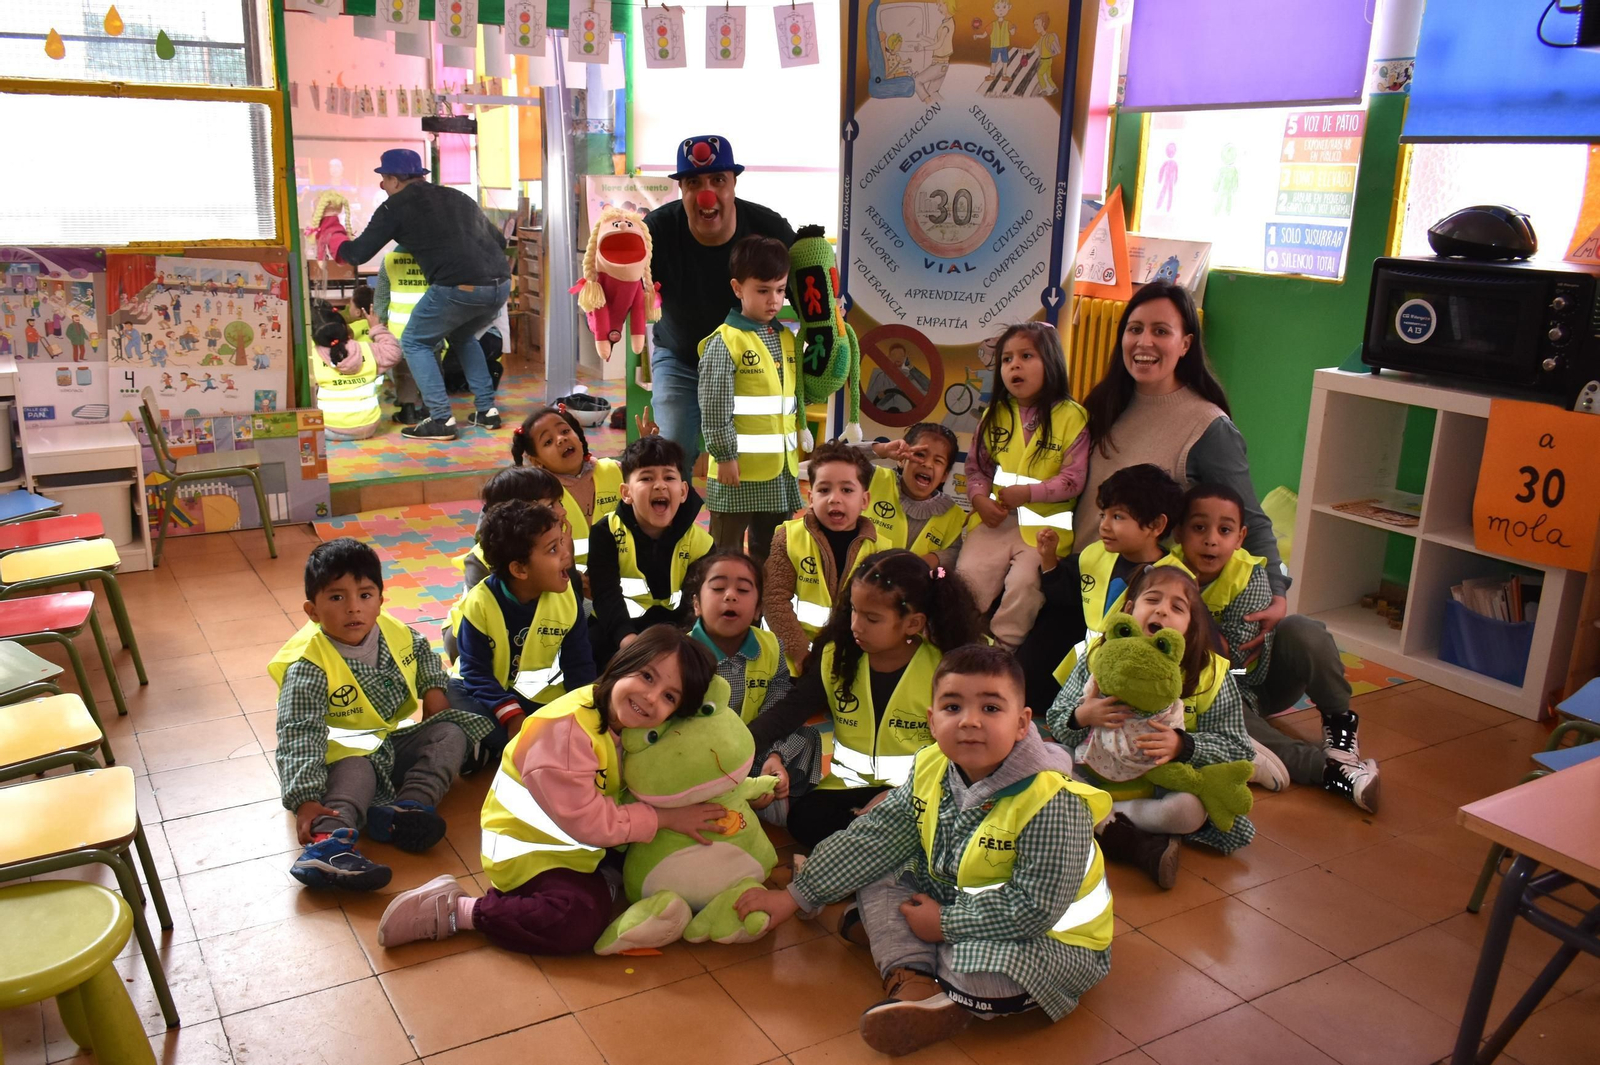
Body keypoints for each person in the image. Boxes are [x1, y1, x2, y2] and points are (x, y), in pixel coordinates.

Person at [736, 644, 1112, 1057]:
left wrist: (945, 924)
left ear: (1023, 723)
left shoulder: (1052, 802)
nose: (969, 722)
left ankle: (936, 979)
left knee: (973, 972)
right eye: (953, 707)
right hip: (952, 900)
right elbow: (874, 837)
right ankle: (913, 978)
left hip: (1050, 938)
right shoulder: (932, 765)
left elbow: (1034, 907)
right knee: (877, 869)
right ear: (932, 722)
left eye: (990, 708)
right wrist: (795, 895)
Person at [374, 626, 729, 954]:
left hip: (582, 844)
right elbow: (590, 823)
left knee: (676, 850)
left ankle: (606, 879)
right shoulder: (567, 731)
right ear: (623, 663)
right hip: (531, 855)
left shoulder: (625, 723)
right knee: (577, 920)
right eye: (647, 676)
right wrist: (666, 818)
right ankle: (460, 910)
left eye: (669, 696)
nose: (651, 698)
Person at [1076, 279, 1289, 664]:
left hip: (1131, 598)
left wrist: (1277, 591)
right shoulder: (1105, 403)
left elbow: (1249, 517)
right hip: (1078, 578)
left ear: (1186, 344)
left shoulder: (1207, 426)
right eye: (1135, 329)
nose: (1144, 342)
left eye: (1161, 331)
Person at [267, 539, 492, 891]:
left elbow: (423, 653)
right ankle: (327, 846)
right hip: (339, 760)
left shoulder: (392, 630)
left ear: (381, 600)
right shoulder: (309, 666)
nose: (353, 608)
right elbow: (298, 735)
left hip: (388, 744)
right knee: (359, 768)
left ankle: (407, 810)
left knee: (451, 732)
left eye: (365, 595)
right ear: (312, 610)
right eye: (337, 598)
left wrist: (433, 689)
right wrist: (306, 799)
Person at [748, 549, 982, 848]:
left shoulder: (946, 668)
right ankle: (885, 841)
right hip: (849, 788)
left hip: (921, 791)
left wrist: (901, 797)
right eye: (854, 611)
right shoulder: (837, 656)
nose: (856, 625)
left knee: (947, 822)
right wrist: (740, 745)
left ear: (913, 623)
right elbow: (789, 711)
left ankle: (875, 842)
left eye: (872, 618)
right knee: (804, 820)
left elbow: (962, 753)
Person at [1173, 484, 1378, 811]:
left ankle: (1340, 727)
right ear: (1179, 533)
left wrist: (1189, 610)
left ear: (1239, 538)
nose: (1211, 539)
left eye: (1224, 530)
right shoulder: (1165, 573)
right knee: (1212, 693)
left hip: (1253, 676)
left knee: (1302, 629)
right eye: (1199, 528)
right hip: (1210, 694)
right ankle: (1328, 770)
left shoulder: (1250, 574)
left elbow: (1233, 658)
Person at [1048, 566, 1255, 889]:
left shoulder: (1211, 674)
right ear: (1130, 610)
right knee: (1045, 759)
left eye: (1177, 607)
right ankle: (1123, 833)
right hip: (1090, 773)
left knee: (1189, 811)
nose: (1161, 610)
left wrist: (1183, 745)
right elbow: (1056, 718)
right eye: (1152, 599)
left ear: (1189, 628)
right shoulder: (1098, 656)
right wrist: (1082, 716)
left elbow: (1237, 746)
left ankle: (1102, 818)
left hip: (1157, 788)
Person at [335, 148, 510, 442]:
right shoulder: (457, 197)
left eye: (383, 179)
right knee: (462, 336)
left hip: (459, 287)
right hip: (500, 285)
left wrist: (335, 235)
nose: (381, 186)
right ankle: (486, 411)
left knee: (415, 341)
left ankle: (440, 419)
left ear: (393, 179)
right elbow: (500, 241)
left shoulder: (395, 207)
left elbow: (357, 253)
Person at [644, 135, 796, 470]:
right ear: (681, 189)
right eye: (693, 182)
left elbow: (808, 297)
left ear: (733, 185)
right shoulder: (656, 230)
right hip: (680, 359)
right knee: (672, 455)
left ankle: (755, 521)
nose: (706, 193)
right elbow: (625, 287)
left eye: (718, 181)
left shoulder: (769, 228)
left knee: (756, 456)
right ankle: (676, 523)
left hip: (751, 362)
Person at [958, 322, 1088, 650]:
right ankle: (957, 640)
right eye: (1006, 359)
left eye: (1026, 356)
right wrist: (978, 498)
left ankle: (1003, 650)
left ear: (1052, 361)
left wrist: (1029, 494)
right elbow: (976, 468)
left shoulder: (1074, 417)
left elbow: (1073, 479)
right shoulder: (993, 416)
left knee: (1025, 585)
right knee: (967, 575)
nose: (1014, 365)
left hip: (1044, 531)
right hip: (996, 520)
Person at [448, 500, 597, 763]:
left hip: (533, 699)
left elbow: (580, 666)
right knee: (450, 694)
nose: (566, 554)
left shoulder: (567, 599)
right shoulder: (480, 602)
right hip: (486, 695)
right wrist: (512, 715)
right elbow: (475, 672)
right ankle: (508, 742)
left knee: (575, 717)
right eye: (553, 549)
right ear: (519, 569)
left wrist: (585, 714)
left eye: (561, 542)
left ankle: (495, 746)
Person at [684, 550, 812, 824]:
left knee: (807, 736)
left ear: (757, 610)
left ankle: (768, 788)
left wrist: (774, 756)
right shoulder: (681, 654)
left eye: (743, 589)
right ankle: (732, 799)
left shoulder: (771, 645)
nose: (730, 595)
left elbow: (777, 703)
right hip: (702, 758)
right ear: (696, 604)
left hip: (756, 747)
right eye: (718, 587)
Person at [698, 235, 803, 565]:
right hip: (736, 471)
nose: (774, 300)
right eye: (763, 290)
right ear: (737, 288)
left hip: (779, 472)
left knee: (771, 556)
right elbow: (715, 409)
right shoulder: (725, 341)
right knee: (724, 554)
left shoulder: (785, 338)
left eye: (780, 289)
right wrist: (725, 455)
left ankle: (762, 614)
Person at [586, 435, 713, 666]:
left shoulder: (700, 542)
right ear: (626, 493)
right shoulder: (605, 532)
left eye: (669, 477)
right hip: (619, 631)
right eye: (646, 478)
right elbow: (606, 596)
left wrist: (682, 641)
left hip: (677, 632)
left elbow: (697, 603)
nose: (660, 484)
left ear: (684, 491)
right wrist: (628, 641)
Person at [764, 440, 881, 674]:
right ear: (810, 497)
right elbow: (774, 600)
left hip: (852, 661)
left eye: (847, 490)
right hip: (790, 661)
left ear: (864, 501)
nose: (834, 499)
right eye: (824, 490)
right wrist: (800, 654)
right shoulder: (788, 538)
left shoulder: (881, 552)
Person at [512, 405, 623, 577]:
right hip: (565, 579)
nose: (561, 439)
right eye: (548, 442)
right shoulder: (536, 495)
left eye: (565, 431)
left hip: (624, 575)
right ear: (536, 460)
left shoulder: (615, 470)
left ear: (578, 435)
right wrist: (574, 577)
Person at [863, 423, 966, 569]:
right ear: (901, 459)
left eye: (938, 461)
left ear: (944, 475)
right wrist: (882, 450)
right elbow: (834, 457)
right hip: (858, 586)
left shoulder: (953, 515)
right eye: (919, 454)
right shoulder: (876, 479)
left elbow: (955, 552)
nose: (928, 464)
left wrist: (931, 560)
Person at [310, 310, 401, 441]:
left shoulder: (312, 356)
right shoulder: (368, 349)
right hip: (368, 427)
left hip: (328, 428)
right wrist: (377, 328)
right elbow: (394, 352)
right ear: (346, 328)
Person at [373, 244, 430, 425]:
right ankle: (431, 408)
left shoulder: (389, 260)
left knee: (404, 371)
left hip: (400, 328)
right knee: (431, 367)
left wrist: (380, 320)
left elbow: (381, 296)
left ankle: (408, 410)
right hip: (430, 324)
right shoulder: (434, 256)